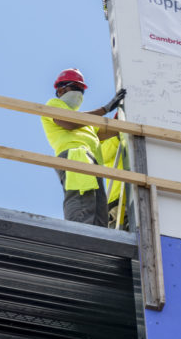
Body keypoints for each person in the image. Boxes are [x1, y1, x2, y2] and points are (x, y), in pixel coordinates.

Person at [41, 69, 126, 227]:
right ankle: (79, 236)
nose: (79, 93)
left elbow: (106, 133)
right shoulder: (54, 105)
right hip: (76, 156)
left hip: (94, 166)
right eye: (76, 88)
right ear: (61, 90)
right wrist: (105, 109)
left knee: (99, 213)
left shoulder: (85, 122)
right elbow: (69, 123)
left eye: (82, 90)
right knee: (82, 203)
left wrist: (121, 116)